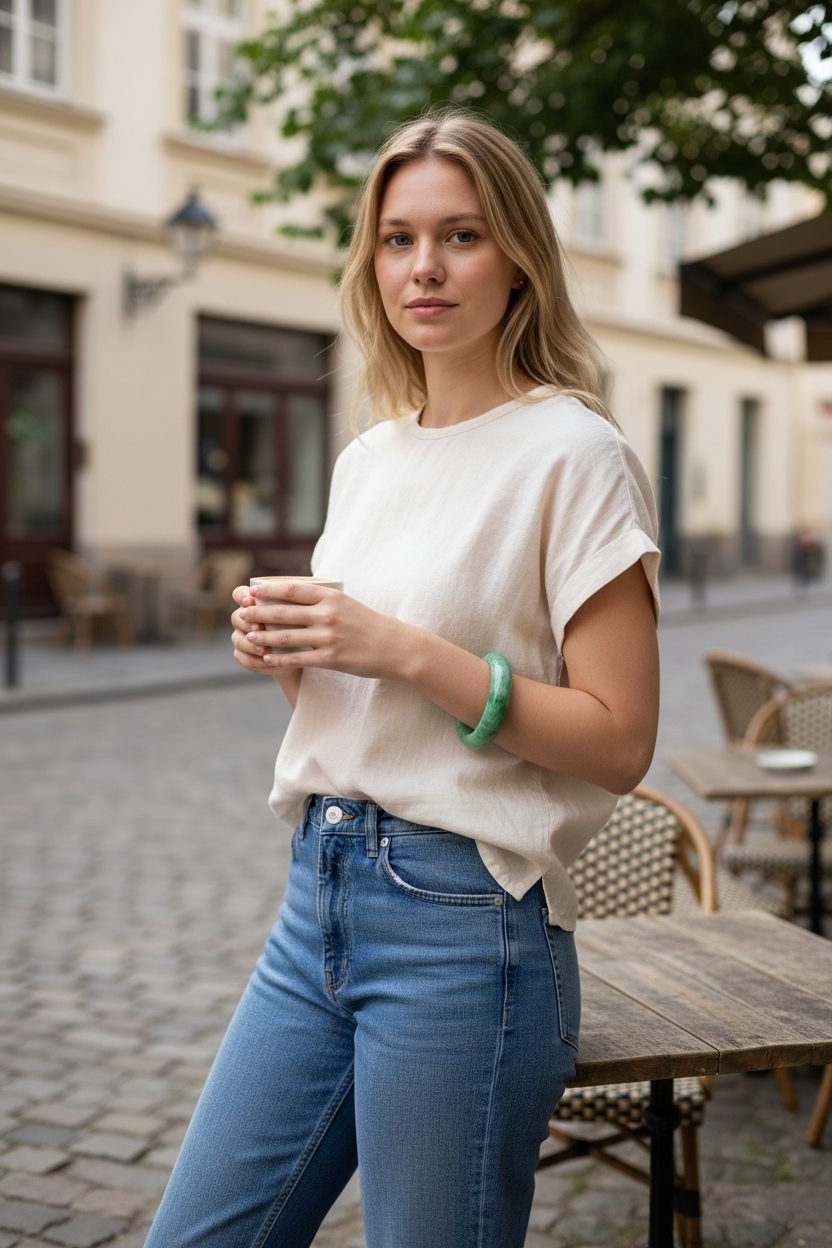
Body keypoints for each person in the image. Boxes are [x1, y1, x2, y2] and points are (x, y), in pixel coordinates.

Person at [144, 110, 660, 1248]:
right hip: (319, 890)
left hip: (467, 925)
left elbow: (621, 740)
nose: (422, 268)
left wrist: (398, 649)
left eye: (461, 236)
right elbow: (370, 716)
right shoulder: (370, 458)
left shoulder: (574, 455)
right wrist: (299, 656)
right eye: (396, 239)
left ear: (518, 254)